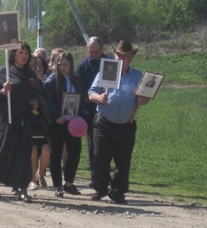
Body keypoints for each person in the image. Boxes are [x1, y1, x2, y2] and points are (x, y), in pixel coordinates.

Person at [88, 40, 150, 204]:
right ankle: (100, 188)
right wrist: (99, 97)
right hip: (104, 122)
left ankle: (118, 192)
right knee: (100, 156)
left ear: (130, 58)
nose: (119, 58)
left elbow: (143, 100)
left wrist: (144, 100)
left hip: (126, 125)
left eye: (123, 56)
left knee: (123, 160)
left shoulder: (137, 76)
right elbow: (91, 93)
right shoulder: (106, 71)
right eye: (118, 55)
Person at [0, 42, 41, 202]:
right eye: (21, 53)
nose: (24, 56)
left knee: (24, 154)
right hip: (6, 118)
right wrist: (3, 91)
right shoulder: (3, 73)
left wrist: (36, 101)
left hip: (24, 119)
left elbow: (39, 93)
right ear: (13, 54)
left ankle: (23, 189)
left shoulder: (31, 75)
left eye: (26, 53)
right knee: (3, 150)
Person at [44, 52, 84, 197]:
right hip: (57, 123)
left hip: (73, 123)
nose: (62, 67)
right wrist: (56, 116)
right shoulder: (52, 81)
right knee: (56, 154)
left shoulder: (77, 80)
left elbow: (82, 99)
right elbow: (48, 100)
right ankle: (57, 186)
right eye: (59, 65)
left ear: (71, 65)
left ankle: (69, 183)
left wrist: (80, 116)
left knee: (75, 151)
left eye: (65, 65)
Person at [76, 37, 109, 187]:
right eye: (91, 51)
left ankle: (107, 175)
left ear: (102, 49)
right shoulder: (83, 66)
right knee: (92, 145)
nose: (94, 54)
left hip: (107, 109)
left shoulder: (110, 63)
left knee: (108, 144)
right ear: (87, 50)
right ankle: (95, 177)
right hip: (89, 110)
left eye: (97, 51)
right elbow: (79, 89)